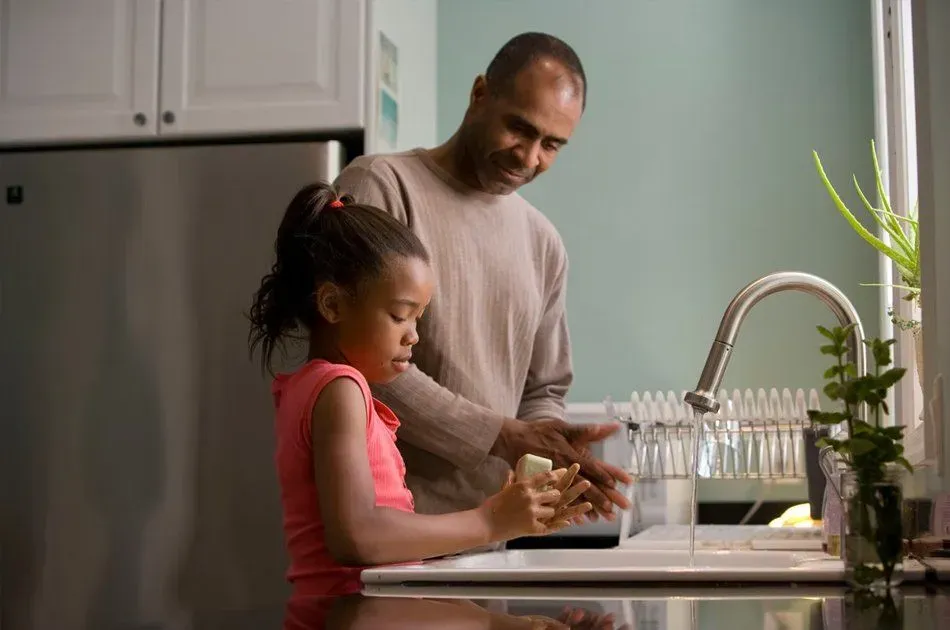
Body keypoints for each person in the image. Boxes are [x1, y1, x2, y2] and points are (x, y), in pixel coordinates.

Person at [334, 32, 631, 523]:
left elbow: (543, 390)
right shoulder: (381, 186)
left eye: (552, 145)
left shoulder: (543, 242)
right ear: (479, 95)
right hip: (387, 529)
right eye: (519, 127)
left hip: (491, 535)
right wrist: (503, 435)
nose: (529, 157)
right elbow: (357, 359)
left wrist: (548, 450)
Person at [248, 182, 592, 597]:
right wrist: (490, 522)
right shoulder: (341, 389)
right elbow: (358, 537)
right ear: (333, 306)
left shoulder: (314, 386)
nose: (414, 337)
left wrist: (503, 516)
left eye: (419, 319)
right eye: (400, 316)